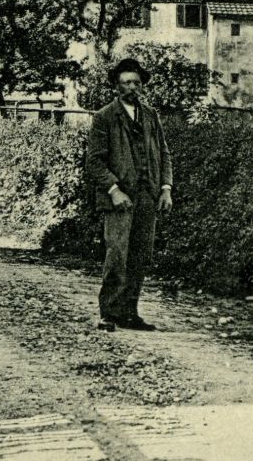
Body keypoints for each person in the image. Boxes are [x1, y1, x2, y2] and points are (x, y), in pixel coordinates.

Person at [85, 56, 173, 330]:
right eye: (126, 83)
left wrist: (166, 188)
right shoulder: (104, 117)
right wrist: (113, 190)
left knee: (140, 255)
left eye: (136, 82)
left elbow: (164, 153)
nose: (132, 87)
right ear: (116, 86)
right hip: (119, 199)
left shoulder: (150, 115)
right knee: (117, 255)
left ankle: (130, 313)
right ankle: (109, 313)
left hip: (147, 196)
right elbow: (94, 162)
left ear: (142, 85)